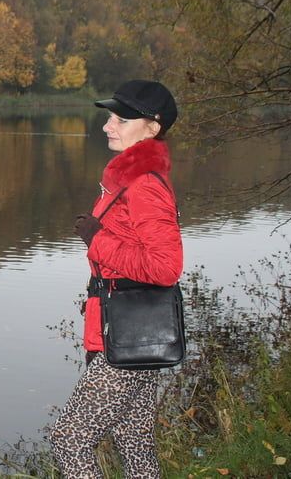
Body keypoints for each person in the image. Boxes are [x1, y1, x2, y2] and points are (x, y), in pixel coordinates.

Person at [49, 79, 183, 478]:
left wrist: (98, 241)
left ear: (152, 127)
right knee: (134, 442)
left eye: (120, 119)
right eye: (109, 117)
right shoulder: (125, 180)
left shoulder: (144, 185)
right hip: (128, 330)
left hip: (128, 335)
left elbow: (165, 267)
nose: (108, 126)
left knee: (69, 440)